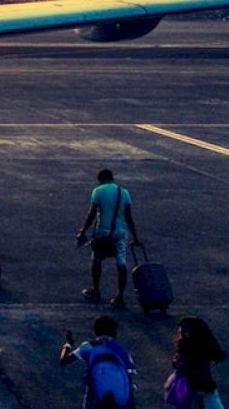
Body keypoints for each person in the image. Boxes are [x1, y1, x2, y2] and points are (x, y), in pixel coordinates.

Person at [75, 169, 140, 308]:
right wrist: (135, 236)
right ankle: (120, 296)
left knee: (96, 259)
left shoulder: (98, 191)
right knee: (121, 263)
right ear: (112, 178)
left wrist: (82, 231)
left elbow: (92, 214)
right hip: (121, 232)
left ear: (100, 179)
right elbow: (129, 217)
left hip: (103, 231)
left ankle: (96, 289)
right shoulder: (124, 192)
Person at [59, 314, 136, 409]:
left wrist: (68, 344)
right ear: (114, 332)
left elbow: (64, 360)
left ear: (96, 331)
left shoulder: (88, 347)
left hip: (97, 397)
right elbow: (129, 370)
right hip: (121, 398)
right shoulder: (119, 349)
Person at [171, 316, 227, 408]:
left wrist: (178, 364)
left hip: (195, 385)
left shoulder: (191, 346)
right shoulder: (198, 343)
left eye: (184, 330)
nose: (180, 332)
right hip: (201, 385)